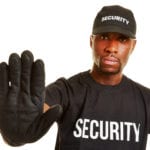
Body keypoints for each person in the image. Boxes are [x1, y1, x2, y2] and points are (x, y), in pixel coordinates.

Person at [0, 4, 150, 150]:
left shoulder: (145, 99)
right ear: (91, 41)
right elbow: (36, 110)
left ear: (133, 46)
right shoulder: (65, 91)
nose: (111, 47)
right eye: (104, 36)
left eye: (122, 39)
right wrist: (16, 134)